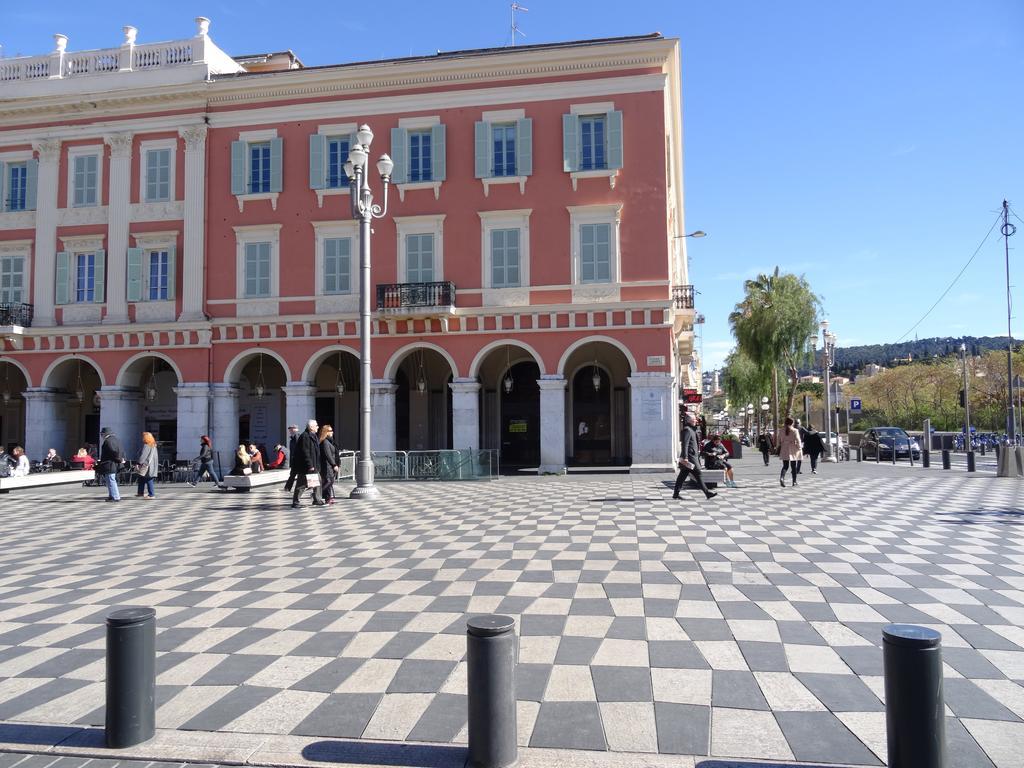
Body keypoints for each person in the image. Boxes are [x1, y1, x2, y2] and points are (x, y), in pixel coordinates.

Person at [673, 412, 717, 500]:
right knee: (698, 473)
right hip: (690, 457)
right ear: (689, 420)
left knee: (682, 476)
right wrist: (685, 457)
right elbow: (685, 444)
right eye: (694, 419)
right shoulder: (687, 430)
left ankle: (676, 494)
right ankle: (707, 493)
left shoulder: (692, 429)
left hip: (691, 457)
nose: (696, 420)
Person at [292, 419, 325, 508]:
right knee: (301, 484)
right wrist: (310, 465)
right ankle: (296, 502)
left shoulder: (313, 435)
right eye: (316, 425)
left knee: (317, 482)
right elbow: (305, 452)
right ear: (311, 427)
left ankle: (317, 500)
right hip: (306, 467)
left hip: (314, 465)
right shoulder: (305, 436)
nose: (318, 427)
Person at [98, 427, 124, 502]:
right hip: (113, 464)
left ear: (105, 434)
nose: (101, 436)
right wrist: (121, 459)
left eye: (102, 434)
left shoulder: (108, 441)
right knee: (110, 480)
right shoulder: (117, 440)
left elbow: (113, 452)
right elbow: (121, 451)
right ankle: (111, 495)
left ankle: (115, 496)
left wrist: (117, 459)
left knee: (111, 480)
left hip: (109, 464)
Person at [777, 417, 803, 487]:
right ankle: (794, 481)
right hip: (793, 448)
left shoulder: (781, 430)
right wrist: (799, 447)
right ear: (792, 423)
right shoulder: (795, 430)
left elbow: (779, 439)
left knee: (785, 466)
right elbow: (798, 440)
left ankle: (782, 478)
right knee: (793, 466)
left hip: (784, 448)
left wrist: (780, 445)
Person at [319, 425, 339, 505]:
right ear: (326, 432)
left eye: (332, 430)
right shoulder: (325, 442)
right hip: (327, 466)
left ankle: (328, 498)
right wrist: (334, 465)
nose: (332, 432)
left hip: (329, 466)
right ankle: (317, 494)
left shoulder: (330, 441)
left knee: (329, 481)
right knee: (329, 481)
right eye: (330, 431)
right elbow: (328, 455)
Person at [135, 432, 159, 499]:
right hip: (152, 465)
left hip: (147, 465)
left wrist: (138, 463)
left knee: (148, 479)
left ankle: (151, 494)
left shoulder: (147, 445)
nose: (142, 438)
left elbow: (143, 456)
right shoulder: (153, 445)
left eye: (143, 436)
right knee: (142, 478)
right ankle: (140, 493)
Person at [283, 424, 301, 492]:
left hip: (297, 460)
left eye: (291, 429)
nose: (289, 430)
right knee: (293, 474)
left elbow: (298, 449)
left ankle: (287, 488)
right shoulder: (292, 438)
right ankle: (287, 488)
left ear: (295, 429)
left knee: (295, 475)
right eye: (289, 429)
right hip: (295, 460)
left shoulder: (297, 437)